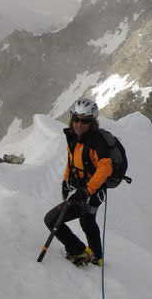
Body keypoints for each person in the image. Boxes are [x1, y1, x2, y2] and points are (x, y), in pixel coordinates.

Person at [44, 97, 112, 267]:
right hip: (88, 191)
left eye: (85, 121)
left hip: (91, 192)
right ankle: (97, 257)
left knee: (52, 220)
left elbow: (106, 168)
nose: (79, 125)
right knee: (88, 221)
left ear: (92, 123)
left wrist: (86, 191)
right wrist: (65, 181)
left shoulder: (97, 142)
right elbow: (72, 162)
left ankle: (79, 252)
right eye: (76, 120)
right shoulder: (74, 137)